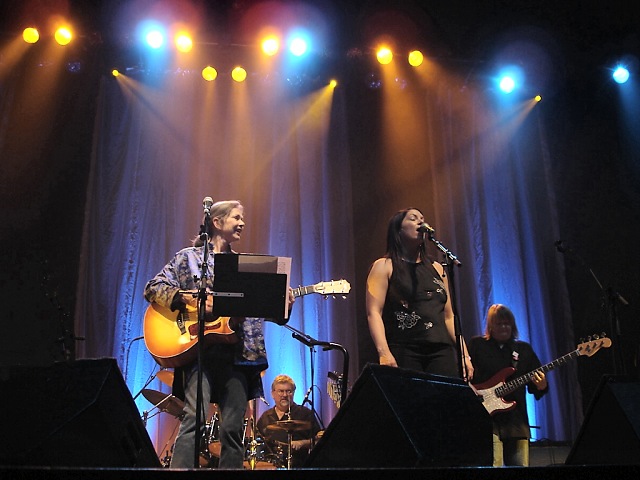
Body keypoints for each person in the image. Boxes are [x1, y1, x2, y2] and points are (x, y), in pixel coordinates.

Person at [144, 200, 294, 469]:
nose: (242, 222)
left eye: (242, 218)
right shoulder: (187, 258)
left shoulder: (244, 266)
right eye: (236, 217)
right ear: (216, 222)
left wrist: (283, 304)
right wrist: (191, 301)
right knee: (194, 417)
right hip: (197, 351)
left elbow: (270, 314)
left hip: (237, 355)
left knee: (233, 428)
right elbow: (153, 287)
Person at [366, 207, 473, 379]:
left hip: (441, 350)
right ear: (398, 230)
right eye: (413, 218)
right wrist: (383, 352)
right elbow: (374, 313)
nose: (420, 221)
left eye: (422, 218)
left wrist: (464, 355)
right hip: (406, 349)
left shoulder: (437, 268)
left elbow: (449, 316)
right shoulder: (384, 266)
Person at [468, 304, 549, 467]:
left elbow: (537, 387)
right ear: (490, 326)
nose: (504, 327)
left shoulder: (523, 350)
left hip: (516, 422)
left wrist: (542, 385)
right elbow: (465, 376)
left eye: (507, 323)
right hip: (486, 421)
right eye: (499, 324)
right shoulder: (477, 346)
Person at [256, 374, 322, 468]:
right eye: (281, 391)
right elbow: (258, 442)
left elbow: (319, 440)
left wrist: (302, 443)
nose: (285, 395)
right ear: (273, 394)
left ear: (294, 393)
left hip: (299, 466)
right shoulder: (265, 417)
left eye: (288, 391)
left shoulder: (305, 414)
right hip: (270, 467)